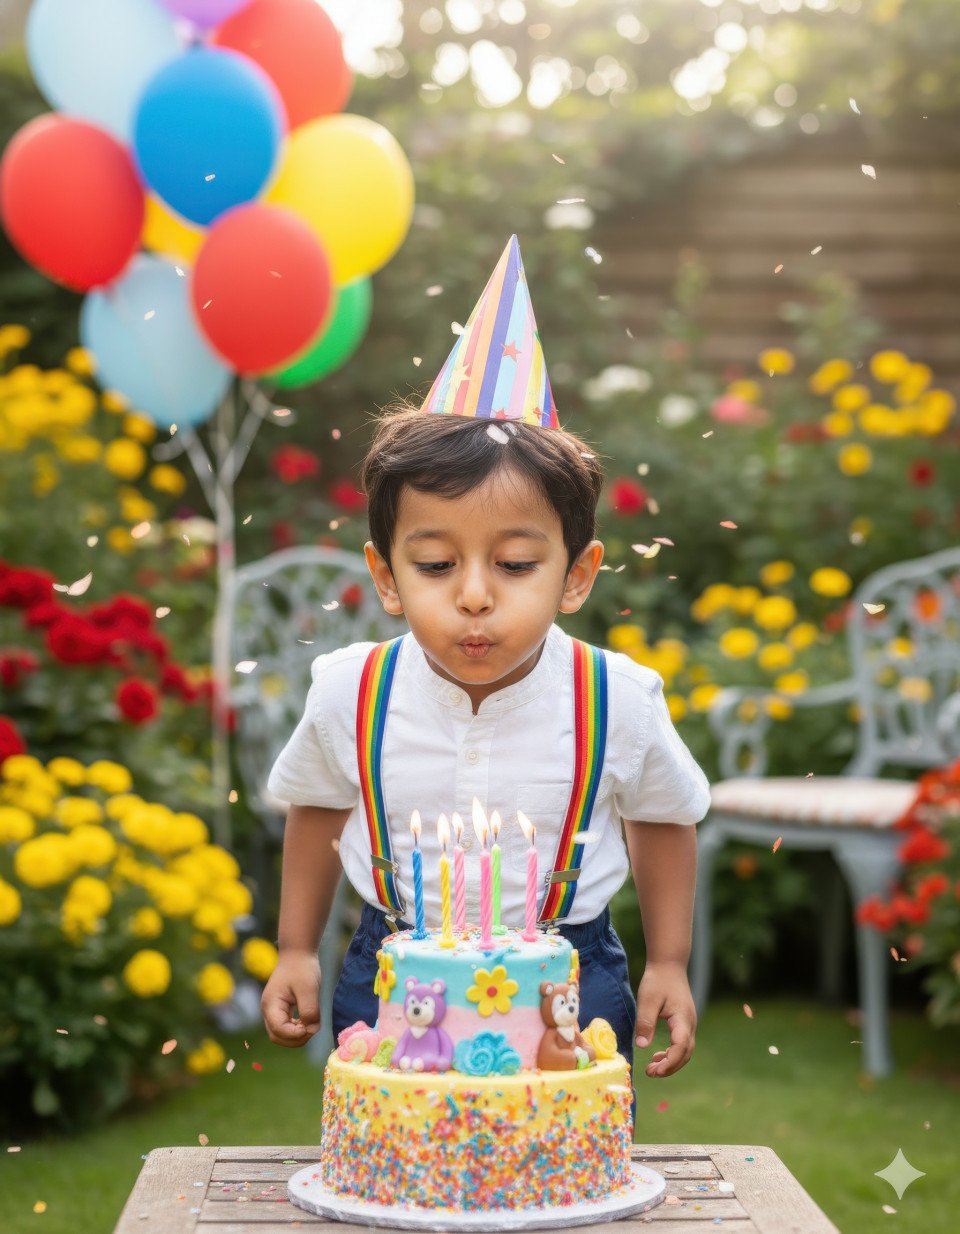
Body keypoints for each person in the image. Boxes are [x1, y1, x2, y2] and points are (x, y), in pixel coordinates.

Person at [261, 236, 711, 1085]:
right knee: (399, 1175)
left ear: (576, 574)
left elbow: (662, 816)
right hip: (390, 969)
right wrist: (295, 947)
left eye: (513, 565)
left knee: (562, 1184)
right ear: (386, 576)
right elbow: (317, 808)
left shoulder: (619, 697)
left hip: (570, 981)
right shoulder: (349, 691)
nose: (474, 595)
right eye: (435, 565)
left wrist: (669, 961)